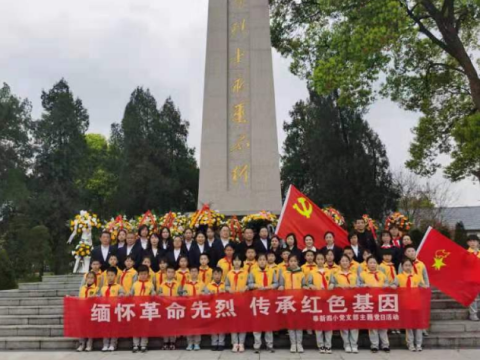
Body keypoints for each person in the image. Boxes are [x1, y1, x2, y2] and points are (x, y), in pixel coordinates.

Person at [359, 256, 396, 353]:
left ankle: (385, 344)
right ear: (367, 264)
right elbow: (358, 285)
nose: (372, 264)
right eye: (370, 263)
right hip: (369, 302)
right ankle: (374, 345)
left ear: (377, 264)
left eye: (374, 262)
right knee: (372, 324)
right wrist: (364, 285)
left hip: (382, 302)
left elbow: (388, 284)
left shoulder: (382, 274)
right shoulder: (363, 274)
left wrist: (386, 285)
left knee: (383, 324)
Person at [248, 253, 277, 353]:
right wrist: (256, 285)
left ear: (266, 260)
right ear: (257, 261)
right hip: (257, 300)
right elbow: (249, 284)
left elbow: (276, 283)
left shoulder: (271, 271)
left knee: (268, 323)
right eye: (260, 260)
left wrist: (270, 287)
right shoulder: (253, 271)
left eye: (264, 259)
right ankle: (257, 345)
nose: (262, 261)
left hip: (268, 299)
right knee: (257, 323)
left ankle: (269, 345)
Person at [330, 255, 359, 353]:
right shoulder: (335, 274)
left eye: (347, 261)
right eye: (343, 261)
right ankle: (346, 344)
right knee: (344, 323)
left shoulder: (354, 274)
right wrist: (339, 285)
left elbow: (360, 286)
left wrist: (355, 286)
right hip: (341, 301)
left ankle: (354, 344)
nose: (345, 262)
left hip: (353, 301)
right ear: (339, 263)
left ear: (349, 263)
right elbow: (332, 285)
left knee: (354, 323)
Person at [278, 254, 306, 353]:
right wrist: (281, 287)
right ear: (288, 262)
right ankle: (293, 344)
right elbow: (281, 284)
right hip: (288, 302)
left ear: (298, 262)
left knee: (299, 323)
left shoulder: (301, 273)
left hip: (299, 302)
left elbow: (304, 286)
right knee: (290, 323)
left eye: (295, 261)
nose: (293, 263)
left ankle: (299, 343)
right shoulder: (284, 273)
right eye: (291, 261)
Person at [398, 258, 426, 351]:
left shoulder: (417, 276)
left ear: (412, 266)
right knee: (409, 325)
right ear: (402, 267)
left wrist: (423, 287)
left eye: (409, 265)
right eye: (405, 265)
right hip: (405, 303)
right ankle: (410, 344)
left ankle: (418, 344)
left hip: (416, 303)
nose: (407, 267)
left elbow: (423, 286)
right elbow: (393, 285)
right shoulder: (399, 277)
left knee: (418, 325)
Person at [306, 253, 333, 354]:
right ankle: (321, 345)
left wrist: (332, 284)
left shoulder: (329, 272)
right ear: (315, 260)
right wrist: (311, 286)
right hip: (317, 300)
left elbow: (333, 282)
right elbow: (308, 283)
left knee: (328, 322)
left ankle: (328, 345)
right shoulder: (312, 272)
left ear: (324, 260)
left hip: (328, 300)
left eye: (322, 259)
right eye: (318, 259)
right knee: (319, 323)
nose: (320, 261)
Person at [225, 255, 248, 352]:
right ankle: (234, 343)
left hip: (243, 300)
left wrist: (246, 288)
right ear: (233, 262)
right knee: (233, 322)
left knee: (243, 322)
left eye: (239, 260)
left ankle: (241, 343)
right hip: (232, 300)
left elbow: (249, 283)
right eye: (235, 260)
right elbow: (226, 285)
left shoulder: (246, 272)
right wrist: (228, 289)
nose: (237, 262)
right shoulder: (229, 273)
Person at [130, 265, 155, 353]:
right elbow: (131, 295)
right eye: (141, 274)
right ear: (138, 275)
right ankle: (135, 344)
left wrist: (153, 296)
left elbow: (153, 295)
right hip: (136, 309)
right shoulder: (135, 284)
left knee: (145, 327)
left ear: (148, 274)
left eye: (145, 274)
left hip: (146, 309)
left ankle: (144, 344)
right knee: (136, 327)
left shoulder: (150, 284)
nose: (143, 276)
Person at [100, 267, 125, 351]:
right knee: (105, 328)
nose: (110, 277)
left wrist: (121, 295)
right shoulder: (103, 288)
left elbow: (122, 295)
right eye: (108, 275)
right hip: (105, 310)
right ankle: (105, 344)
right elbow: (99, 297)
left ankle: (113, 344)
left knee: (114, 327)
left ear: (116, 276)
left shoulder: (119, 287)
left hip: (114, 310)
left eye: (112, 275)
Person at [157, 266, 181, 349]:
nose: (170, 274)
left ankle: (172, 342)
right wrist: (160, 296)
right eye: (168, 272)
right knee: (165, 325)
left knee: (173, 325)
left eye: (172, 272)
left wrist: (178, 296)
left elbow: (181, 295)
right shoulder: (162, 284)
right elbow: (158, 294)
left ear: (174, 274)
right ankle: (165, 341)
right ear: (166, 273)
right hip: (165, 307)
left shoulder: (178, 284)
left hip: (174, 307)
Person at [182, 267, 205, 350]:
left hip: (198, 308)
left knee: (197, 326)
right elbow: (183, 294)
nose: (194, 273)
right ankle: (189, 343)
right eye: (192, 271)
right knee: (189, 326)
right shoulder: (186, 284)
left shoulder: (201, 283)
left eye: (195, 271)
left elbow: (206, 293)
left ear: (198, 273)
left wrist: (203, 294)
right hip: (189, 308)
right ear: (189, 273)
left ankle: (197, 343)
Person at [204, 267, 226, 351]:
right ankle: (214, 342)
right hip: (212, 309)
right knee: (213, 326)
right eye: (215, 274)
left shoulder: (224, 285)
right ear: (212, 275)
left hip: (222, 308)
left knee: (222, 326)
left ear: (221, 275)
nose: (217, 276)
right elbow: (205, 298)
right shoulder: (208, 286)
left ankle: (221, 342)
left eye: (219, 274)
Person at [76, 272, 98, 352]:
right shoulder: (82, 288)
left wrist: (95, 297)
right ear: (86, 279)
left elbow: (99, 299)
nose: (90, 279)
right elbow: (79, 298)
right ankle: (81, 344)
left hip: (91, 311)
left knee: (89, 328)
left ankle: (89, 344)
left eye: (92, 278)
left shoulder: (96, 289)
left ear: (94, 279)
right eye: (88, 278)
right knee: (82, 328)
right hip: (82, 310)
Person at [467, 235, 480, 321]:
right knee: (473, 297)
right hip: (471, 279)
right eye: (470, 241)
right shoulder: (465, 253)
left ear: (478, 242)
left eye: (474, 241)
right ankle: (473, 314)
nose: (473, 243)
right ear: (467, 243)